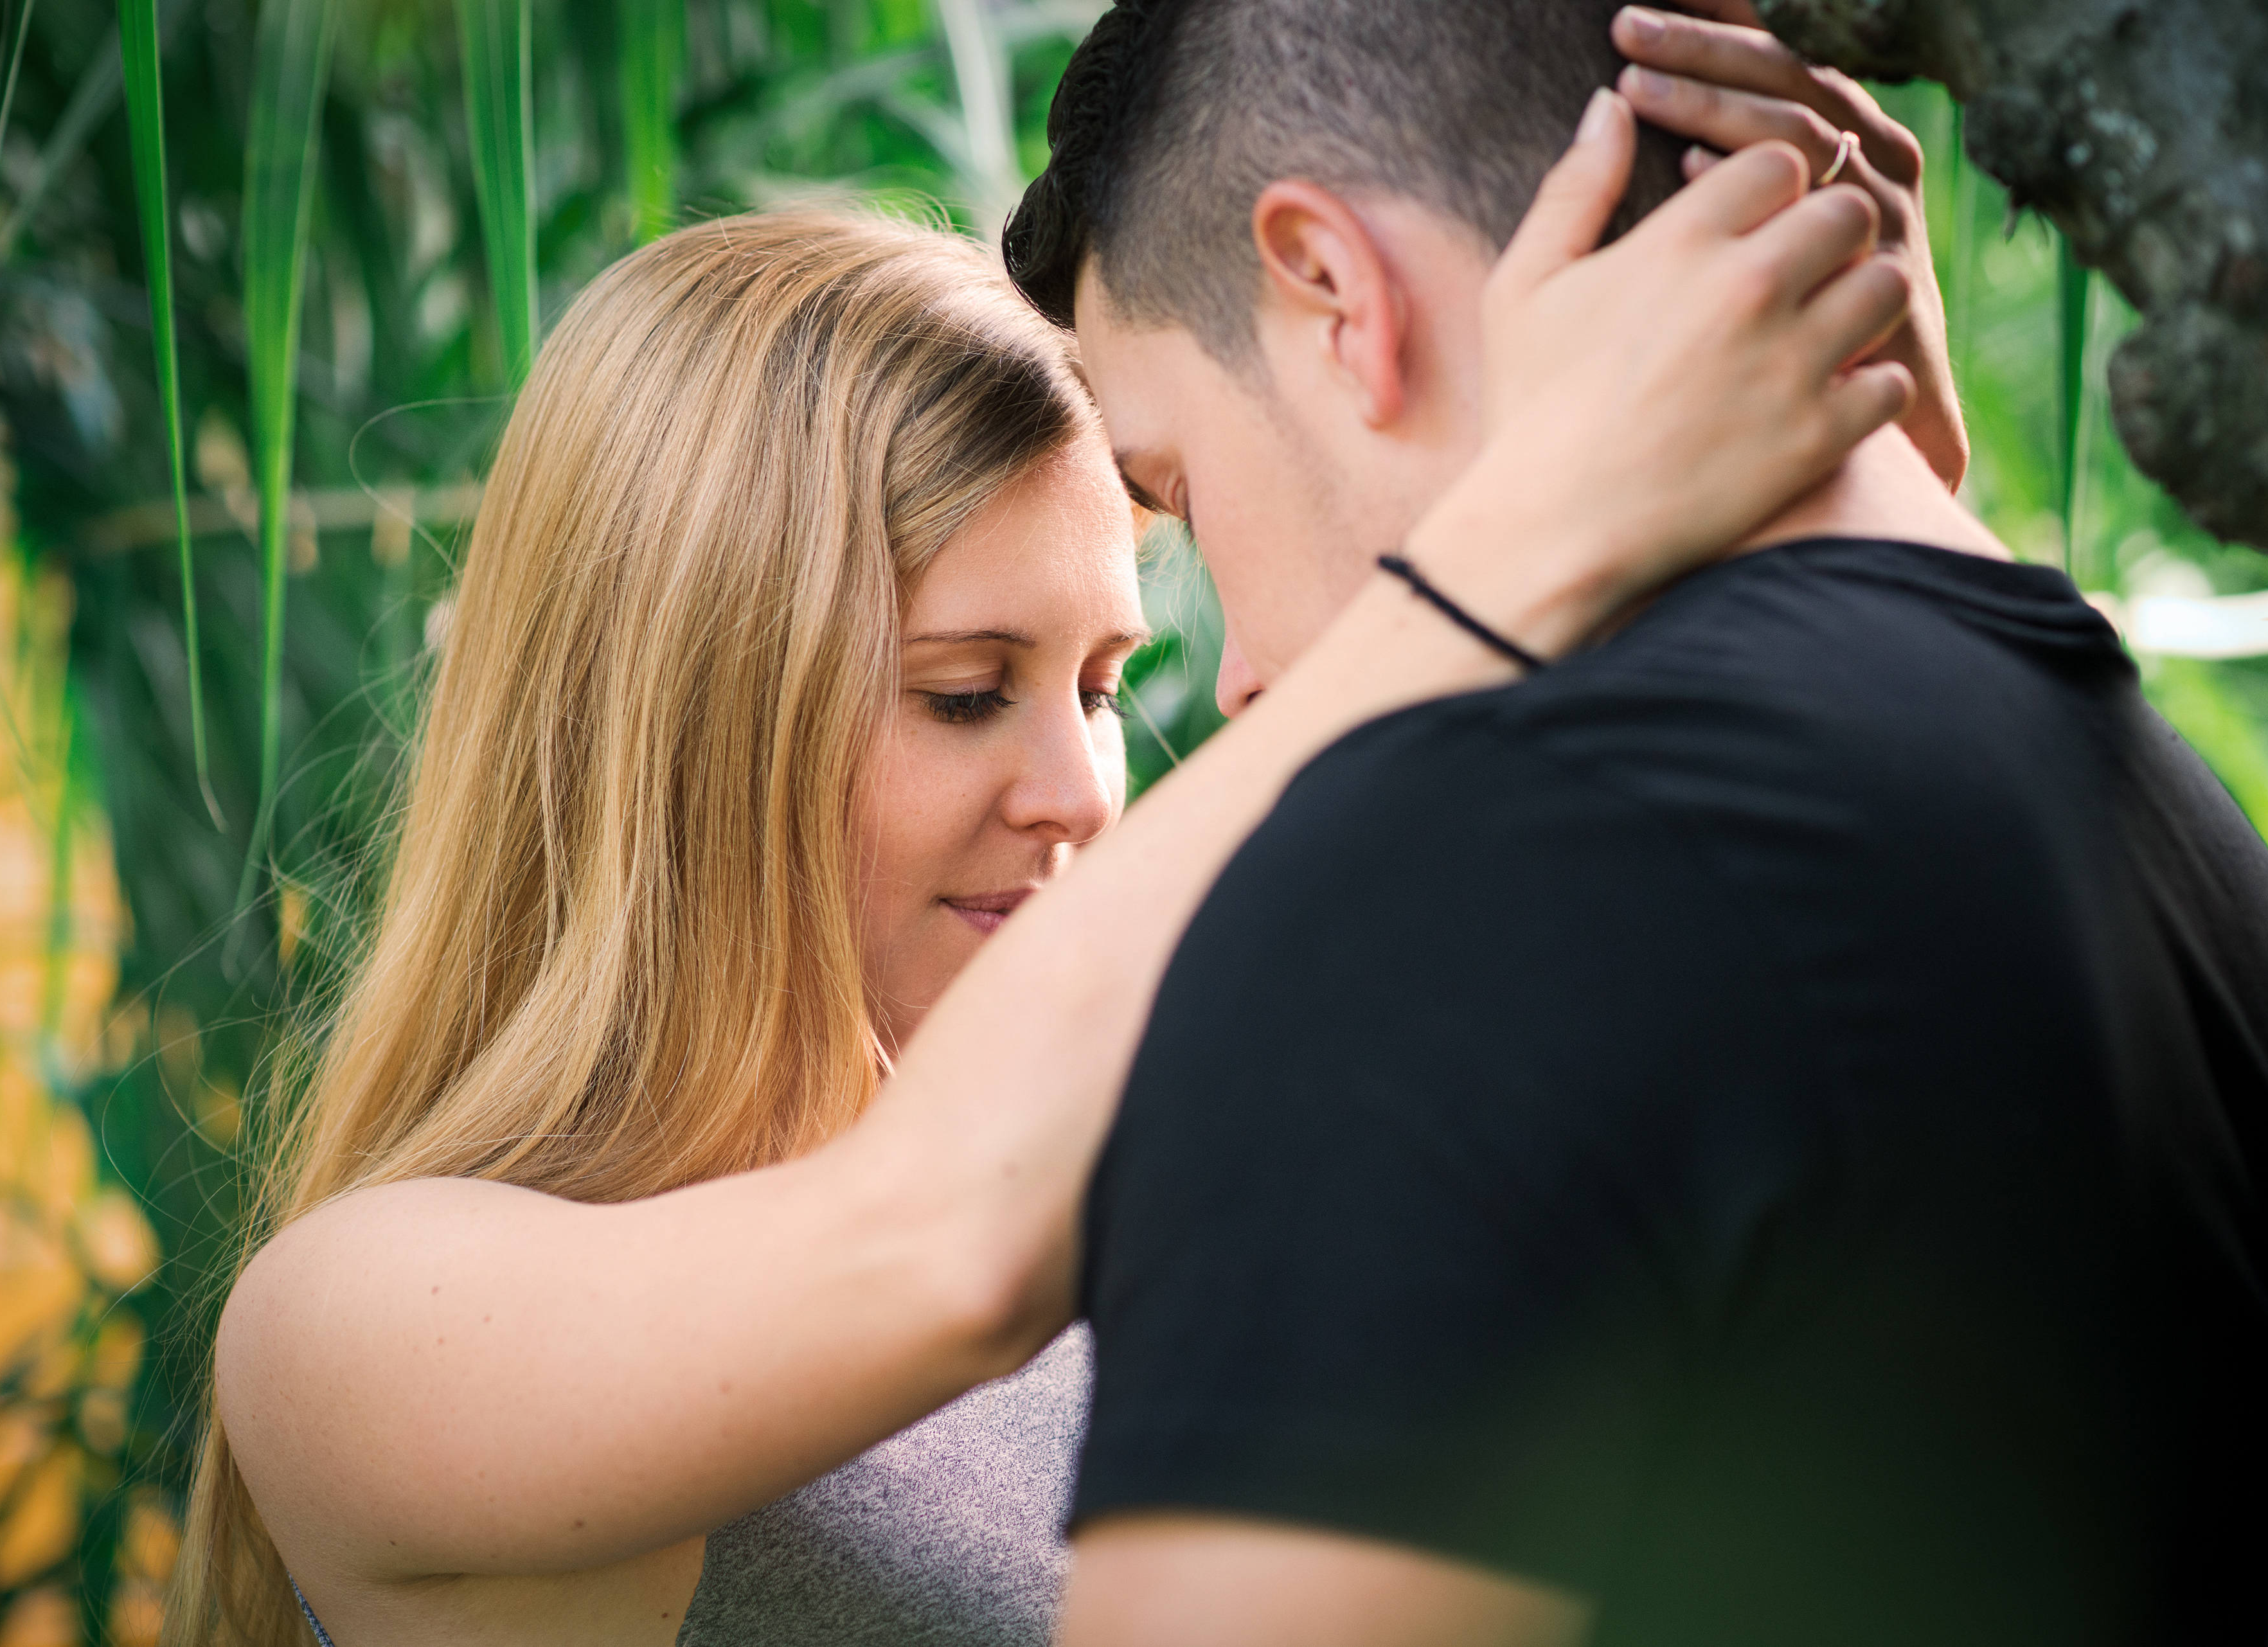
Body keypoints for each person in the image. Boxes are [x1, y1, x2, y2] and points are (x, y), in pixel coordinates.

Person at [179, 76, 1918, 1647]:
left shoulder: (1172, 1177)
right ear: (689, 718)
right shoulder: (352, 1329)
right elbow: (944, 1246)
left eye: (1101, 686)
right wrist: (1538, 527)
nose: (1082, 788)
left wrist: (1859, 498)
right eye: (963, 692)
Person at [997, 4, 2268, 1645]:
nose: (1241, 680)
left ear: (1336, 293)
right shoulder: (2186, 842)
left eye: (1188, 493)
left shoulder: (1466, 881)